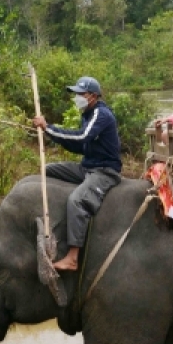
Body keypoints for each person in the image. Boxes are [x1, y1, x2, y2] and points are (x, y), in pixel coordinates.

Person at [32, 76, 122, 272]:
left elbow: (82, 136)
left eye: (80, 94)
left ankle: (72, 257)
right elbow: (81, 145)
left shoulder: (101, 114)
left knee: (76, 200)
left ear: (93, 96)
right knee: (47, 170)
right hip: (87, 167)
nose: (77, 98)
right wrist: (49, 132)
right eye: (76, 94)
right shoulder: (87, 115)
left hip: (104, 170)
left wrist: (49, 128)